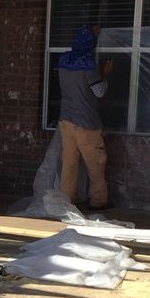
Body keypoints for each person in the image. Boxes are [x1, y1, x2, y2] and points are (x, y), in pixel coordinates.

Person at [57, 24, 114, 210]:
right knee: (95, 164)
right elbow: (99, 92)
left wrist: (91, 29)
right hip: (86, 124)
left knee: (69, 164)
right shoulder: (88, 66)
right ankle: (98, 201)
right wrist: (105, 75)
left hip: (66, 121)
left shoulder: (64, 61)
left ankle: (67, 201)